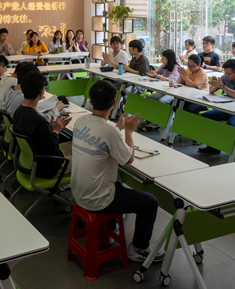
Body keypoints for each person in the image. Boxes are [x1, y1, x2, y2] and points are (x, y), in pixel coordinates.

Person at [71, 80, 165, 263]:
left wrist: (118, 128)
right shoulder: (109, 131)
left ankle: (109, 228)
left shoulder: (81, 120)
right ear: (114, 103)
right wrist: (128, 132)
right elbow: (129, 158)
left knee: (117, 181)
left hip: (78, 193)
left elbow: (100, 137)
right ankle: (138, 249)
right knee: (150, 203)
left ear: (90, 101)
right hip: (99, 200)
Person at [13, 72, 72, 178]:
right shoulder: (40, 122)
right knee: (85, 159)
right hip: (47, 169)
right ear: (41, 93)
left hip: (30, 161)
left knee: (73, 146)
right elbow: (53, 153)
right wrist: (55, 132)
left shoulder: (18, 111)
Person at [201, 59, 235, 151]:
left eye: (228, 74)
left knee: (232, 125)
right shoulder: (225, 77)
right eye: (225, 73)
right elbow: (211, 91)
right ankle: (214, 145)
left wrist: (222, 86)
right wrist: (214, 85)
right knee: (205, 116)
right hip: (228, 109)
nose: (226, 75)